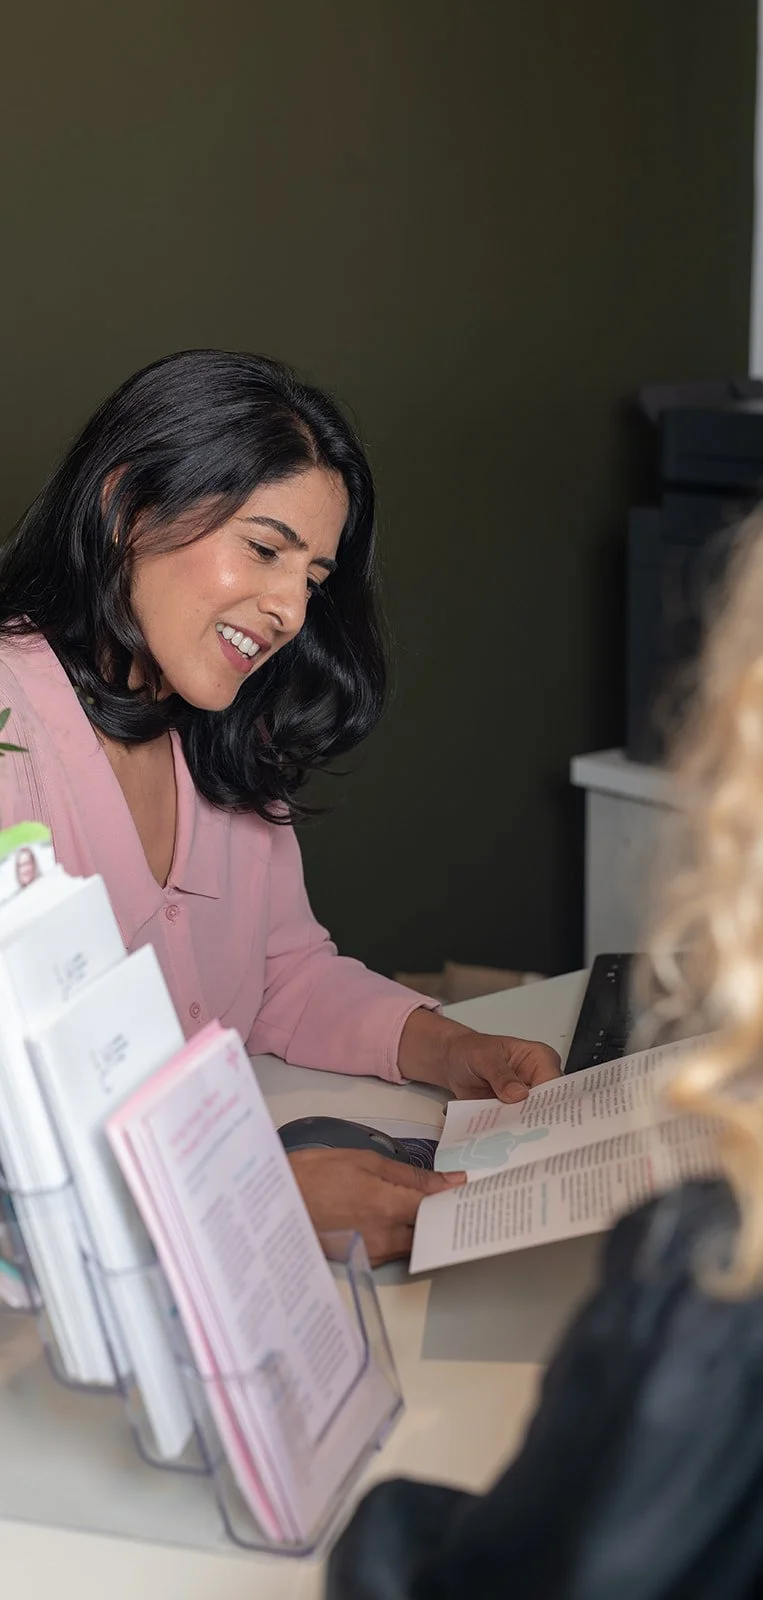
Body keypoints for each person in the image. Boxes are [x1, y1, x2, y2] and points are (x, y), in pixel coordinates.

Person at [0, 349, 560, 1258]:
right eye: (264, 550)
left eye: (311, 578)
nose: (289, 611)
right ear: (124, 510)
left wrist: (448, 1048)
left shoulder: (221, 732)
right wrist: (242, 1200)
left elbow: (282, 975)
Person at [325, 511, 763, 1599]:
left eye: (312, 566)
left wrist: (375, 1519)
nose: (289, 603)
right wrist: (443, 1038)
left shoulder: (710, 1280)